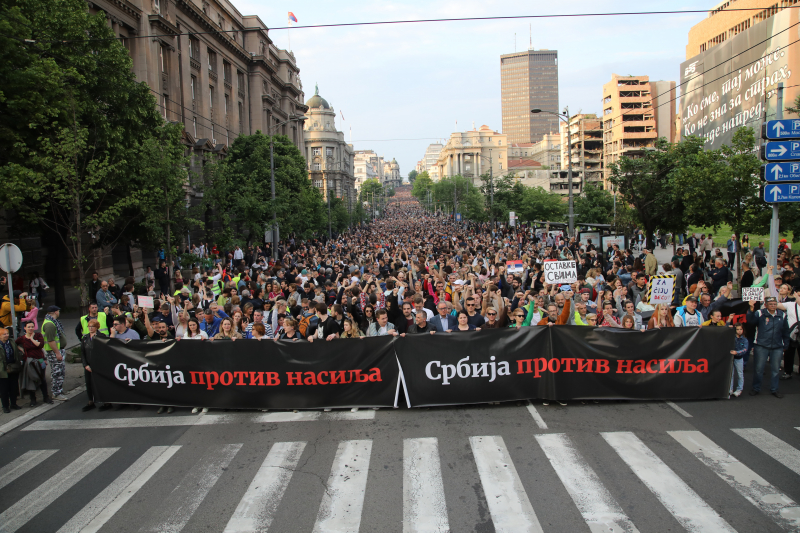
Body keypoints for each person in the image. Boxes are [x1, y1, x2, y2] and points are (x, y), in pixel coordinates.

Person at [746, 296, 790, 398]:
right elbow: (750, 321)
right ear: (765, 305)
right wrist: (751, 309)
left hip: (777, 346)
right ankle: (756, 388)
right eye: (770, 304)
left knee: (775, 370)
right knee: (759, 369)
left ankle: (775, 389)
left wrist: (786, 344)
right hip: (761, 345)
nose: (773, 306)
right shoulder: (760, 313)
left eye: (774, 304)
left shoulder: (782, 314)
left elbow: (786, 331)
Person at [17, 321, 52, 406]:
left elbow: (40, 345)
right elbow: (16, 344)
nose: (30, 328)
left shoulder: (38, 335)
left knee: (42, 378)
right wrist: (22, 350)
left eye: (32, 327)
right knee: (31, 380)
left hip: (40, 360)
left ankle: (46, 397)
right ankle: (33, 399)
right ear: (25, 328)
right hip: (29, 361)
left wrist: (32, 339)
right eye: (28, 327)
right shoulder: (22, 338)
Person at [81, 319, 112, 412]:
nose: (90, 328)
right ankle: (91, 402)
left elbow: (105, 351)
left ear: (96, 327)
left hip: (99, 365)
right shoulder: (85, 338)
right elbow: (82, 353)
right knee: (89, 383)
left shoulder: (101, 337)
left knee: (101, 383)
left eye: (92, 326)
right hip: (88, 365)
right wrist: (85, 365)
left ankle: (107, 402)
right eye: (89, 326)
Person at [41, 305, 68, 401]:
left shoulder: (52, 322)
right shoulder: (49, 324)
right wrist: (57, 353)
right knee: (57, 372)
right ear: (56, 312)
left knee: (60, 372)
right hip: (54, 352)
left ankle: (59, 390)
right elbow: (51, 341)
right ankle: (56, 393)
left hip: (56, 351)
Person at [0, 326, 23, 413]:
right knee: (4, 389)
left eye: (7, 334)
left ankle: (13, 403)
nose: (6, 335)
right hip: (2, 369)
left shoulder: (12, 342)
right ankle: (5, 406)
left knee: (13, 387)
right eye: (4, 334)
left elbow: (17, 348)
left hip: (13, 367)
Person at [730, 323, 748, 398]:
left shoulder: (744, 339)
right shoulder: (731, 337)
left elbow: (745, 349)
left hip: (739, 358)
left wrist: (737, 352)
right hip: (731, 358)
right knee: (731, 374)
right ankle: (730, 389)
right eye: (737, 329)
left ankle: (739, 389)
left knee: (740, 374)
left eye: (741, 329)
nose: (739, 331)